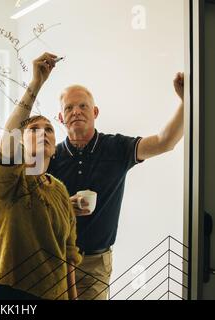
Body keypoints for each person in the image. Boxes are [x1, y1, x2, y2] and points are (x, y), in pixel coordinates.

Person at [48, 72, 185, 299]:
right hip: (53, 259)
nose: (76, 112)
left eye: (83, 105)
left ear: (95, 112)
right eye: (69, 108)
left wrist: (185, 101)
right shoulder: (50, 156)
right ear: (61, 118)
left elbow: (165, 142)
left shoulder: (116, 147)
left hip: (95, 264)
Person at [0, 53, 82, 300]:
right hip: (9, 292)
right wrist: (36, 83)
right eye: (33, 129)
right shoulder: (8, 180)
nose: (42, 133)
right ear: (20, 142)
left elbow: (68, 254)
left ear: (55, 147)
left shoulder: (58, 188)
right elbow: (9, 136)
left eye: (48, 129)